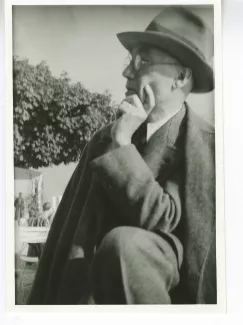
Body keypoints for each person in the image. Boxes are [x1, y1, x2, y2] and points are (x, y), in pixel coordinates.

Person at [28, 7, 216, 305]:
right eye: (130, 60)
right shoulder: (103, 139)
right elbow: (65, 237)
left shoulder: (208, 149)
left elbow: (164, 219)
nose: (127, 72)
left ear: (180, 76)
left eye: (142, 61)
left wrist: (122, 145)